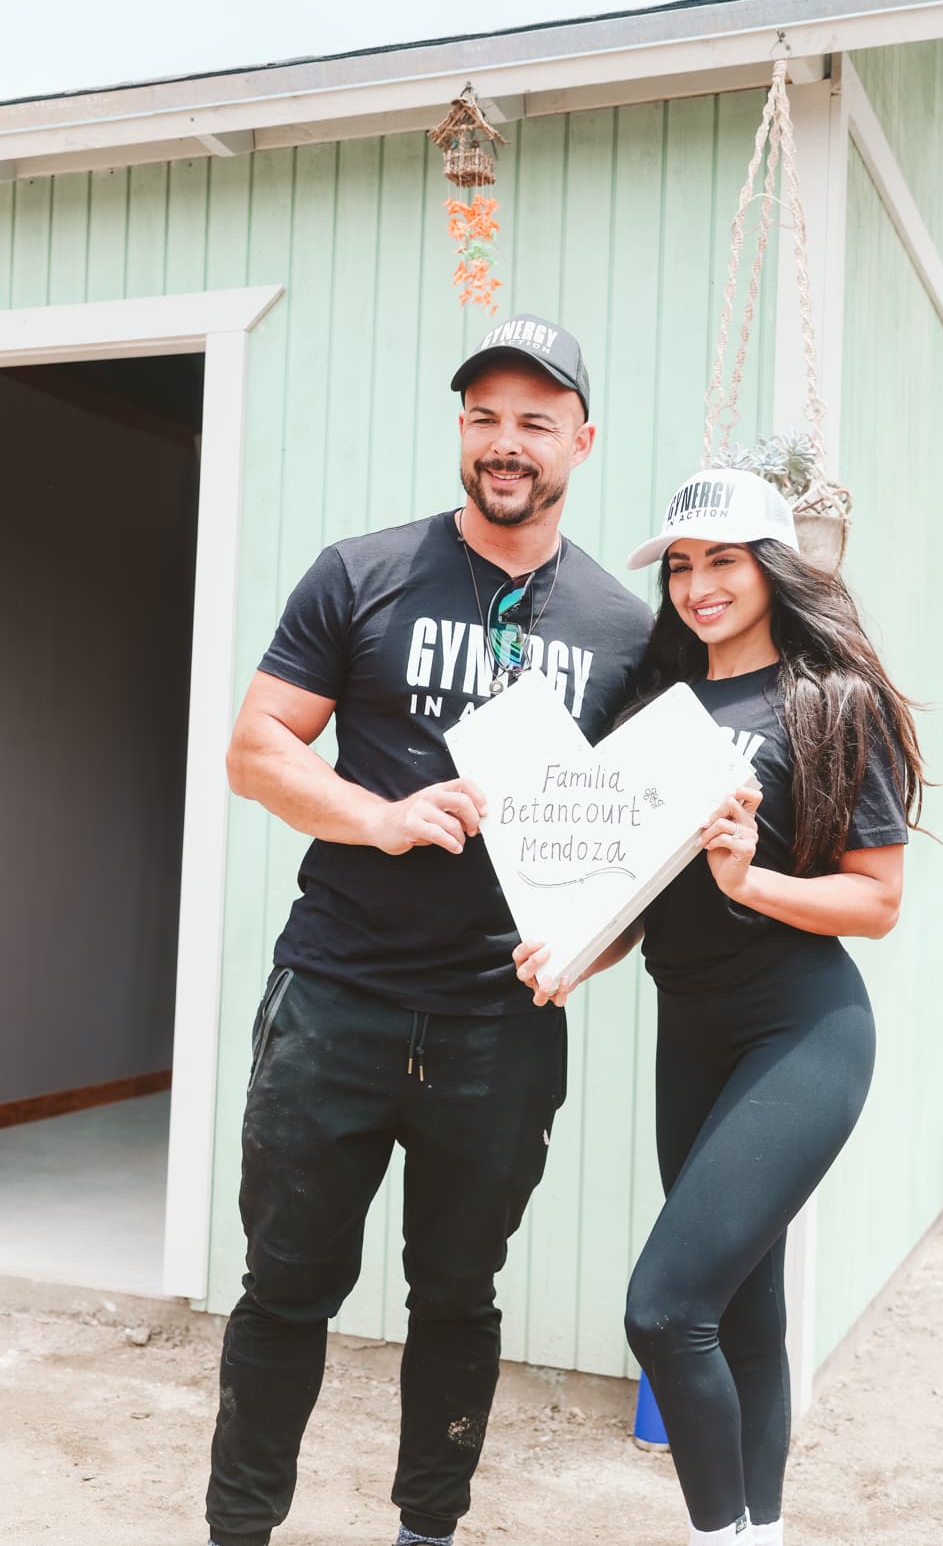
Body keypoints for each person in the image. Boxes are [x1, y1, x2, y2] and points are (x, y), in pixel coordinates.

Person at [205, 312, 653, 1546]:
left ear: (581, 440)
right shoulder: (362, 572)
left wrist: (587, 948)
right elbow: (256, 750)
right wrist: (380, 816)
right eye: (485, 419)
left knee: (458, 1297)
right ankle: (238, 1532)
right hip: (335, 997)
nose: (506, 445)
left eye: (534, 423)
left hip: (498, 1027)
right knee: (285, 1289)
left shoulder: (623, 629)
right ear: (463, 429)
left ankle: (427, 1532)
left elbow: (636, 844)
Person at [515, 465, 925, 1546]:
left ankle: (719, 1537)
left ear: (771, 568)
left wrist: (754, 882)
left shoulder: (832, 703)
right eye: (684, 566)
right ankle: (762, 1535)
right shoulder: (660, 710)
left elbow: (876, 901)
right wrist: (571, 955)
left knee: (663, 1309)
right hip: (689, 1032)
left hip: (802, 1032)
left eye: (723, 562)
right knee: (744, 1308)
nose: (698, 586)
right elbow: (635, 897)